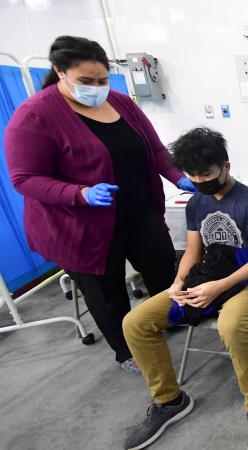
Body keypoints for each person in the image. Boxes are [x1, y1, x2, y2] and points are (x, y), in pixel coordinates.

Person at [4, 36, 196, 374]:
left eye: (102, 80)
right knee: (106, 292)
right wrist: (79, 194)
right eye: (86, 82)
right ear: (59, 72)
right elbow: (25, 179)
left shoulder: (121, 104)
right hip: (80, 225)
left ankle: (166, 320)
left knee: (165, 270)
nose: (96, 88)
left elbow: (155, 151)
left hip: (139, 212)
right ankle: (127, 351)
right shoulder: (35, 115)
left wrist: (178, 177)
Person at [122, 127, 248, 450]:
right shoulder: (196, 203)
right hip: (207, 274)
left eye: (205, 173)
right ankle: (170, 400)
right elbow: (193, 252)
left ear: (226, 166)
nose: (199, 180)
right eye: (192, 175)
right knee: (135, 322)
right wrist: (178, 283)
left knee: (231, 325)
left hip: (245, 279)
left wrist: (219, 286)